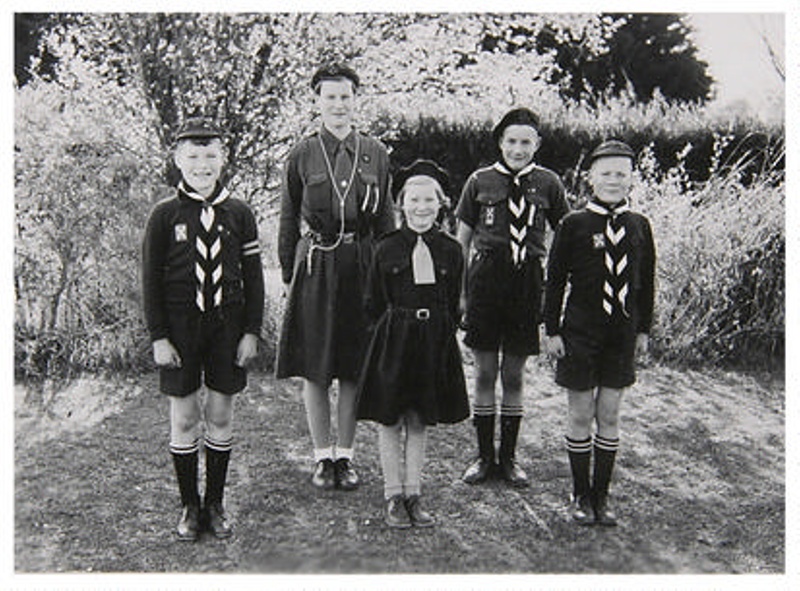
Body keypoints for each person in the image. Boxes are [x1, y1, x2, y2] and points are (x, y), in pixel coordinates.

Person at [142, 117, 264, 541]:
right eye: (192, 156)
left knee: (219, 413)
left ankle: (215, 503)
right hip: (178, 329)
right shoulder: (164, 215)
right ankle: (189, 507)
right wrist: (158, 336)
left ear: (222, 158)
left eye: (210, 155)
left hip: (226, 327)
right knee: (184, 416)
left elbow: (255, 277)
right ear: (178, 159)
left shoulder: (239, 213)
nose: (202, 164)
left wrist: (251, 330)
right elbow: (150, 281)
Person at [276, 64, 394, 491]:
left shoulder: (375, 152)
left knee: (354, 367)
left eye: (345, 96)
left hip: (362, 263)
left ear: (355, 99)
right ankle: (322, 457)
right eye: (330, 97)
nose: (338, 105)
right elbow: (289, 216)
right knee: (316, 367)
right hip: (317, 265)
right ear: (317, 100)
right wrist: (289, 271)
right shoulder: (302, 153)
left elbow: (385, 219)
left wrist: (389, 278)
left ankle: (346, 455)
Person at [543, 139, 656, 526]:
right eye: (605, 173)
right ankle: (579, 493)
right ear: (590, 177)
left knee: (609, 412)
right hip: (579, 334)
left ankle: (601, 496)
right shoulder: (573, 224)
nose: (612, 180)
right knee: (580, 412)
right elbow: (554, 281)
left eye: (620, 174)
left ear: (631, 179)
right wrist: (552, 330)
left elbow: (647, 282)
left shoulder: (639, 225)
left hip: (620, 336)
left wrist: (643, 329)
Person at [455, 108, 570, 487]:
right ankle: (484, 456)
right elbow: (462, 241)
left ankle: (509, 458)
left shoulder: (549, 183)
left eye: (526, 142)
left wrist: (557, 290)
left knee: (513, 374)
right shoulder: (479, 181)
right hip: (486, 280)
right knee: (486, 371)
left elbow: (566, 240)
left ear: (537, 144)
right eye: (512, 141)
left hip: (526, 282)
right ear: (500, 143)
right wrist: (459, 293)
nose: (518, 149)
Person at [356, 160, 469, 528]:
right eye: (414, 200)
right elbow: (372, 300)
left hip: (433, 340)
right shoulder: (385, 248)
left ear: (442, 204)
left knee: (419, 419)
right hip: (394, 338)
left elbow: (454, 301)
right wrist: (386, 334)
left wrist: (442, 331)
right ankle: (392, 495)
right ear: (402, 204)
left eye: (430, 201)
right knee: (390, 418)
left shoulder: (451, 249)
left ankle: (414, 493)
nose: (422, 208)